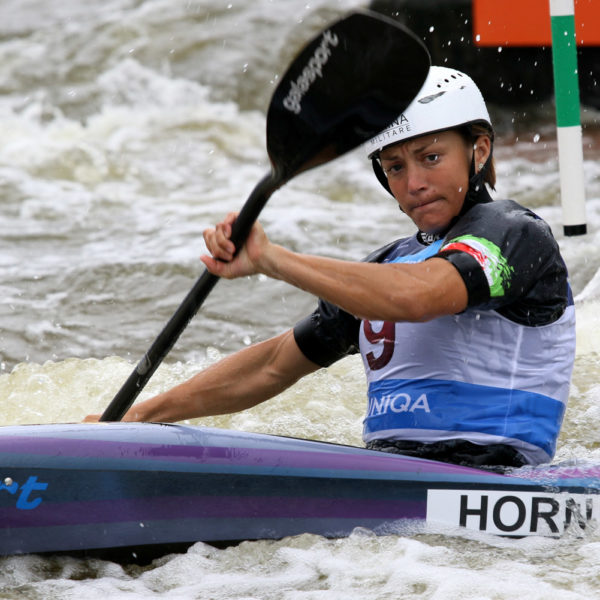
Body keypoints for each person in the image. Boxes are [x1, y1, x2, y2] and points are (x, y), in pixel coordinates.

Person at [86, 66, 575, 470]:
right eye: (395, 167)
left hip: (497, 479)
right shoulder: (389, 264)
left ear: (479, 150)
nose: (414, 183)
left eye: (431, 158)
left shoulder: (515, 234)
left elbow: (420, 296)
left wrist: (271, 259)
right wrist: (138, 418)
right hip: (394, 478)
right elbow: (273, 365)